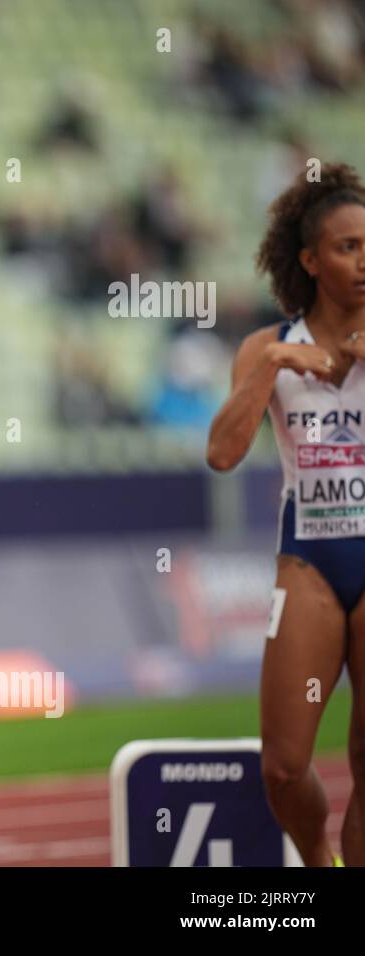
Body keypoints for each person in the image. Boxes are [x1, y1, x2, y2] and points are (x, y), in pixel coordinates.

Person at [207, 162, 365, 866]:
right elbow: (222, 452)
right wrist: (272, 361)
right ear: (310, 259)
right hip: (310, 561)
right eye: (348, 247)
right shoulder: (266, 345)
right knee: (284, 765)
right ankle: (318, 859)